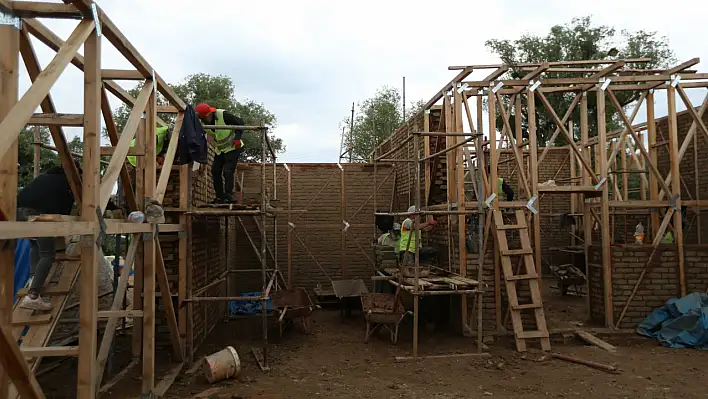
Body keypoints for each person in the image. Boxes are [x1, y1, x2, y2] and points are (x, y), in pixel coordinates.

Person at [16, 162, 118, 311]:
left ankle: (33, 280)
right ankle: (33, 296)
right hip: (39, 216)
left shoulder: (45, 177)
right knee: (47, 254)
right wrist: (115, 208)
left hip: (18, 213)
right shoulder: (69, 181)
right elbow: (93, 198)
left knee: (35, 246)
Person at [195, 103, 245, 204]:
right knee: (215, 171)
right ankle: (220, 197)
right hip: (221, 150)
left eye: (204, 118)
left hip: (233, 147)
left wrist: (237, 138)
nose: (203, 121)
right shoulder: (203, 123)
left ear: (209, 115)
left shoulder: (223, 115)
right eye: (201, 119)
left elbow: (240, 123)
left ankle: (228, 197)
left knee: (227, 171)